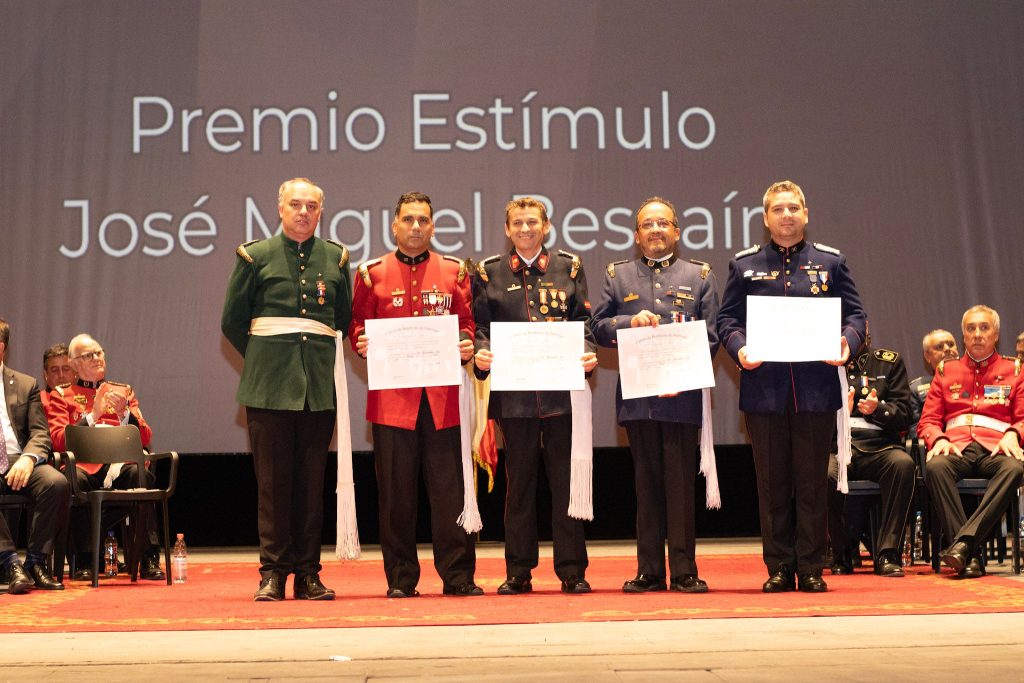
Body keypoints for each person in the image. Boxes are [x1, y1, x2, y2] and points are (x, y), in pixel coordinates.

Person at [717, 180, 866, 593]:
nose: (786, 215)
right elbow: (727, 320)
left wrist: (846, 342)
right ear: (766, 218)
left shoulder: (831, 263)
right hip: (764, 391)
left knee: (813, 484)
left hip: (816, 390)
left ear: (805, 214)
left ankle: (812, 567)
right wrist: (740, 348)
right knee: (773, 485)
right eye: (778, 209)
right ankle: (780, 566)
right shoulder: (744, 265)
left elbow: (856, 317)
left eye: (793, 208)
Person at [222, 177, 352, 602]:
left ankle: (308, 574)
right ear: (280, 208)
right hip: (269, 389)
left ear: (320, 211)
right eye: (295, 204)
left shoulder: (336, 258)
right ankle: (273, 574)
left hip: (317, 389)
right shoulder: (254, 256)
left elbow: (341, 320)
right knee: (273, 487)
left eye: (311, 206)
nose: (303, 212)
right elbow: (232, 321)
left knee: (311, 487)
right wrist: (266, 359)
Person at [348, 191, 481, 598]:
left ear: (433, 226)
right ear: (394, 225)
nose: (416, 227)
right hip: (392, 403)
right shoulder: (371, 274)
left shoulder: (455, 271)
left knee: (450, 493)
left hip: (443, 401)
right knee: (396, 496)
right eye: (408, 219)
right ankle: (401, 579)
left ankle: (458, 576)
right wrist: (361, 342)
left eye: (423, 219)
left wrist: (465, 342)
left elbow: (467, 324)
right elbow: (357, 325)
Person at [591, 197, 719, 593]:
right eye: (648, 224)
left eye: (663, 223)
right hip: (639, 399)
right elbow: (597, 327)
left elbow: (712, 336)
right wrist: (629, 322)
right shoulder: (618, 276)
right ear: (636, 235)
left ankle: (683, 570)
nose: (656, 230)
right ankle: (648, 570)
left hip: (681, 397)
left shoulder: (699, 276)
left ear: (677, 232)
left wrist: (683, 369)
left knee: (679, 487)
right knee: (646, 487)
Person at [473, 196, 598, 595]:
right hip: (514, 397)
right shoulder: (489, 272)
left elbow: (583, 322)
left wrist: (588, 352)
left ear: (546, 227)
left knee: (565, 483)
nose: (525, 229)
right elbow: (480, 328)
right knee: (520, 486)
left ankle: (572, 570)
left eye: (532, 222)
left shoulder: (568, 266)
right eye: (517, 223)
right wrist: (480, 354)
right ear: (507, 229)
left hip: (562, 394)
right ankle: (518, 571)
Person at [47, 333, 164, 582]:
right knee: (73, 478)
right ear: (73, 364)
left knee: (140, 475)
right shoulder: (62, 395)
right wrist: (93, 415)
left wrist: (125, 415)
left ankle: (148, 558)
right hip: (84, 466)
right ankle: (86, 560)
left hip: (118, 465)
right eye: (88, 355)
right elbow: (57, 439)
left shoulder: (123, 391)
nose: (97, 358)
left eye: (99, 353)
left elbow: (145, 437)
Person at [918, 305, 1024, 578]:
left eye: (984, 328)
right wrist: (938, 438)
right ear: (963, 335)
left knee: (1014, 468)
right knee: (936, 467)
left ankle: (962, 547)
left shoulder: (1015, 370)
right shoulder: (946, 370)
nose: (977, 334)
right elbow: (928, 421)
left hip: (996, 447)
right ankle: (970, 552)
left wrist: (1014, 433)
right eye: (971, 328)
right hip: (956, 446)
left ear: (996, 334)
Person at [827, 332, 915, 577]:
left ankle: (888, 553)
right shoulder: (822, 364)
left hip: (879, 446)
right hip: (837, 447)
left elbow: (905, 415)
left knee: (903, 465)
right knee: (824, 474)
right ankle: (841, 553)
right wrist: (838, 414)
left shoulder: (888, 362)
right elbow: (807, 421)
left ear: (865, 330)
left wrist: (878, 409)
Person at [0, 318, 70, 592]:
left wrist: (28, 459)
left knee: (56, 483)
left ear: (1, 347)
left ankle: (35, 562)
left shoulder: (25, 384)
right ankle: (9, 563)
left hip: (18, 458)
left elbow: (41, 433)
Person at [909, 329, 959, 432]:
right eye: (939, 347)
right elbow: (916, 429)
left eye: (951, 344)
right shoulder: (916, 389)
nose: (947, 349)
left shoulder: (974, 378)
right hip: (935, 438)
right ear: (927, 356)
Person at [40, 344, 75, 415]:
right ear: (46, 374)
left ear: (75, 372)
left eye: (66, 369)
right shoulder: (37, 402)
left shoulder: (83, 397)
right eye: (55, 370)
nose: (61, 375)